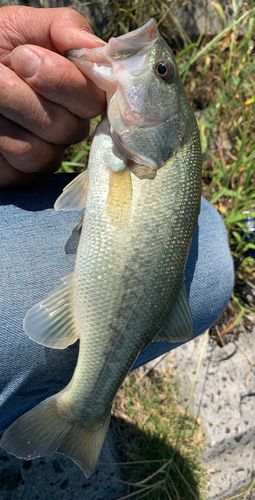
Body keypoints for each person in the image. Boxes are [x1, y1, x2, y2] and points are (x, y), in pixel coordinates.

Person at [0, 6, 234, 432]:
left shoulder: (144, 154)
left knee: (213, 254)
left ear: (171, 126)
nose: (155, 63)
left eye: (161, 71)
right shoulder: (140, 155)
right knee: (213, 256)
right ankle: (84, 406)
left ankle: (80, 409)